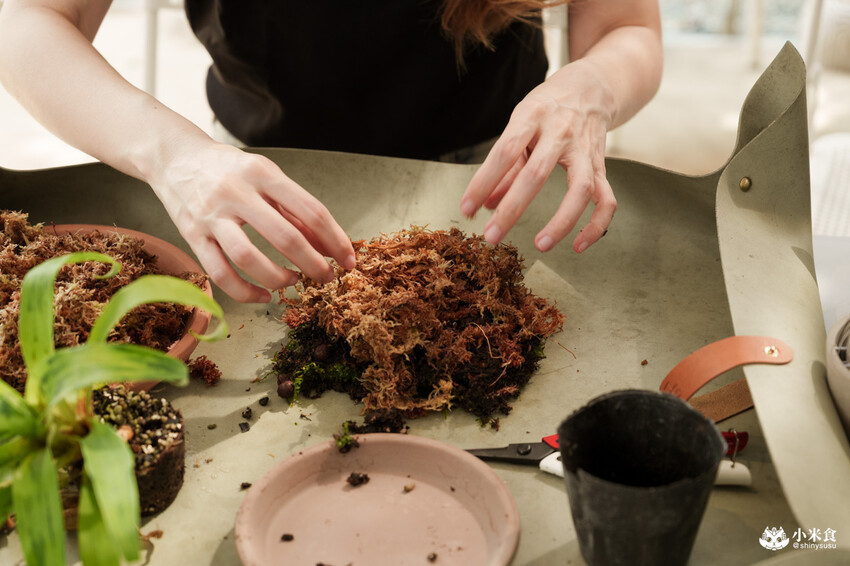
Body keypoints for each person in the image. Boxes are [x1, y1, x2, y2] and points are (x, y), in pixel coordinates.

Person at [0, 0, 662, 304]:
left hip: (490, 178)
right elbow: (27, 22)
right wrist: (175, 156)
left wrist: (595, 86)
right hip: (257, 180)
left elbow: (626, 25)